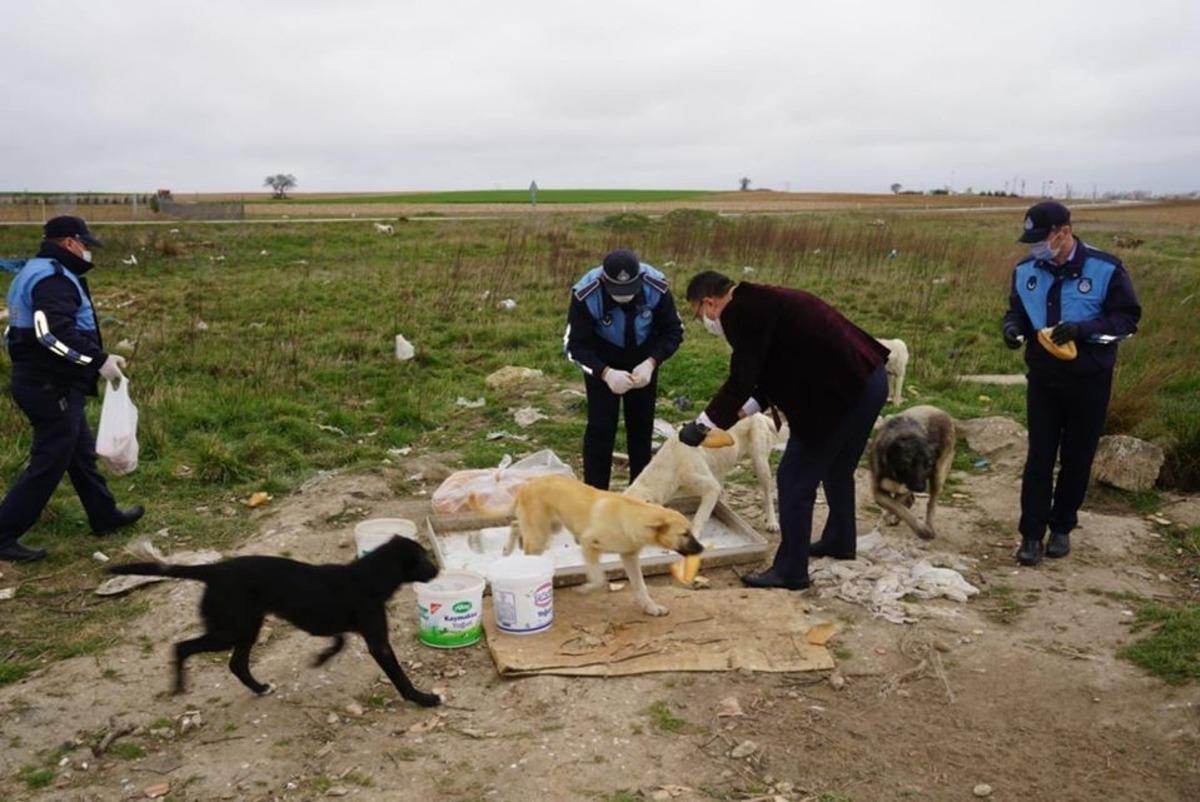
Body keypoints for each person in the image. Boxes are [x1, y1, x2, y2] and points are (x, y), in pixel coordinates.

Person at [677, 271, 889, 590]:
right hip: (869, 379)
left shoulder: (739, 312)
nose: (704, 320)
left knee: (793, 478)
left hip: (841, 392)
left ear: (709, 302)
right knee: (837, 467)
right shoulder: (761, 301)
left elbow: (741, 380)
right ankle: (840, 540)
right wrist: (743, 409)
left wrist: (703, 424)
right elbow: (774, 368)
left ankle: (791, 570)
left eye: (699, 313)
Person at [1002, 201, 1141, 566]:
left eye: (1041, 239)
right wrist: (1012, 329)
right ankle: (1031, 535)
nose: (1035, 247)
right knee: (1039, 458)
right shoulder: (1025, 270)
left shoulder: (1106, 269)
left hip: (1089, 380)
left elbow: (1127, 319)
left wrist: (1085, 330)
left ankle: (1062, 526)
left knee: (1077, 458)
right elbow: (1015, 311)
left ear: (1063, 232)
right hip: (1044, 379)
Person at [0, 216, 144, 562]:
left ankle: (104, 515)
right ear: (68, 242)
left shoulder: (36, 270)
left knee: (79, 454)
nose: (87, 251)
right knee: (50, 461)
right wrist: (98, 360)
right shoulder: (53, 279)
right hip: (50, 386)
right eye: (84, 244)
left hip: (46, 381)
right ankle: (3, 532)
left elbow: (13, 333)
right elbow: (52, 335)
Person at [564, 249, 683, 489]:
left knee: (641, 428)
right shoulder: (586, 294)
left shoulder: (656, 287)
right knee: (600, 428)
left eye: (629, 291)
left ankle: (641, 492)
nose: (624, 297)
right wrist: (605, 373)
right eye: (618, 293)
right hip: (602, 358)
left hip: (643, 358)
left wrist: (652, 362)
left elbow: (674, 331)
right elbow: (574, 345)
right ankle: (596, 494)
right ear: (604, 282)